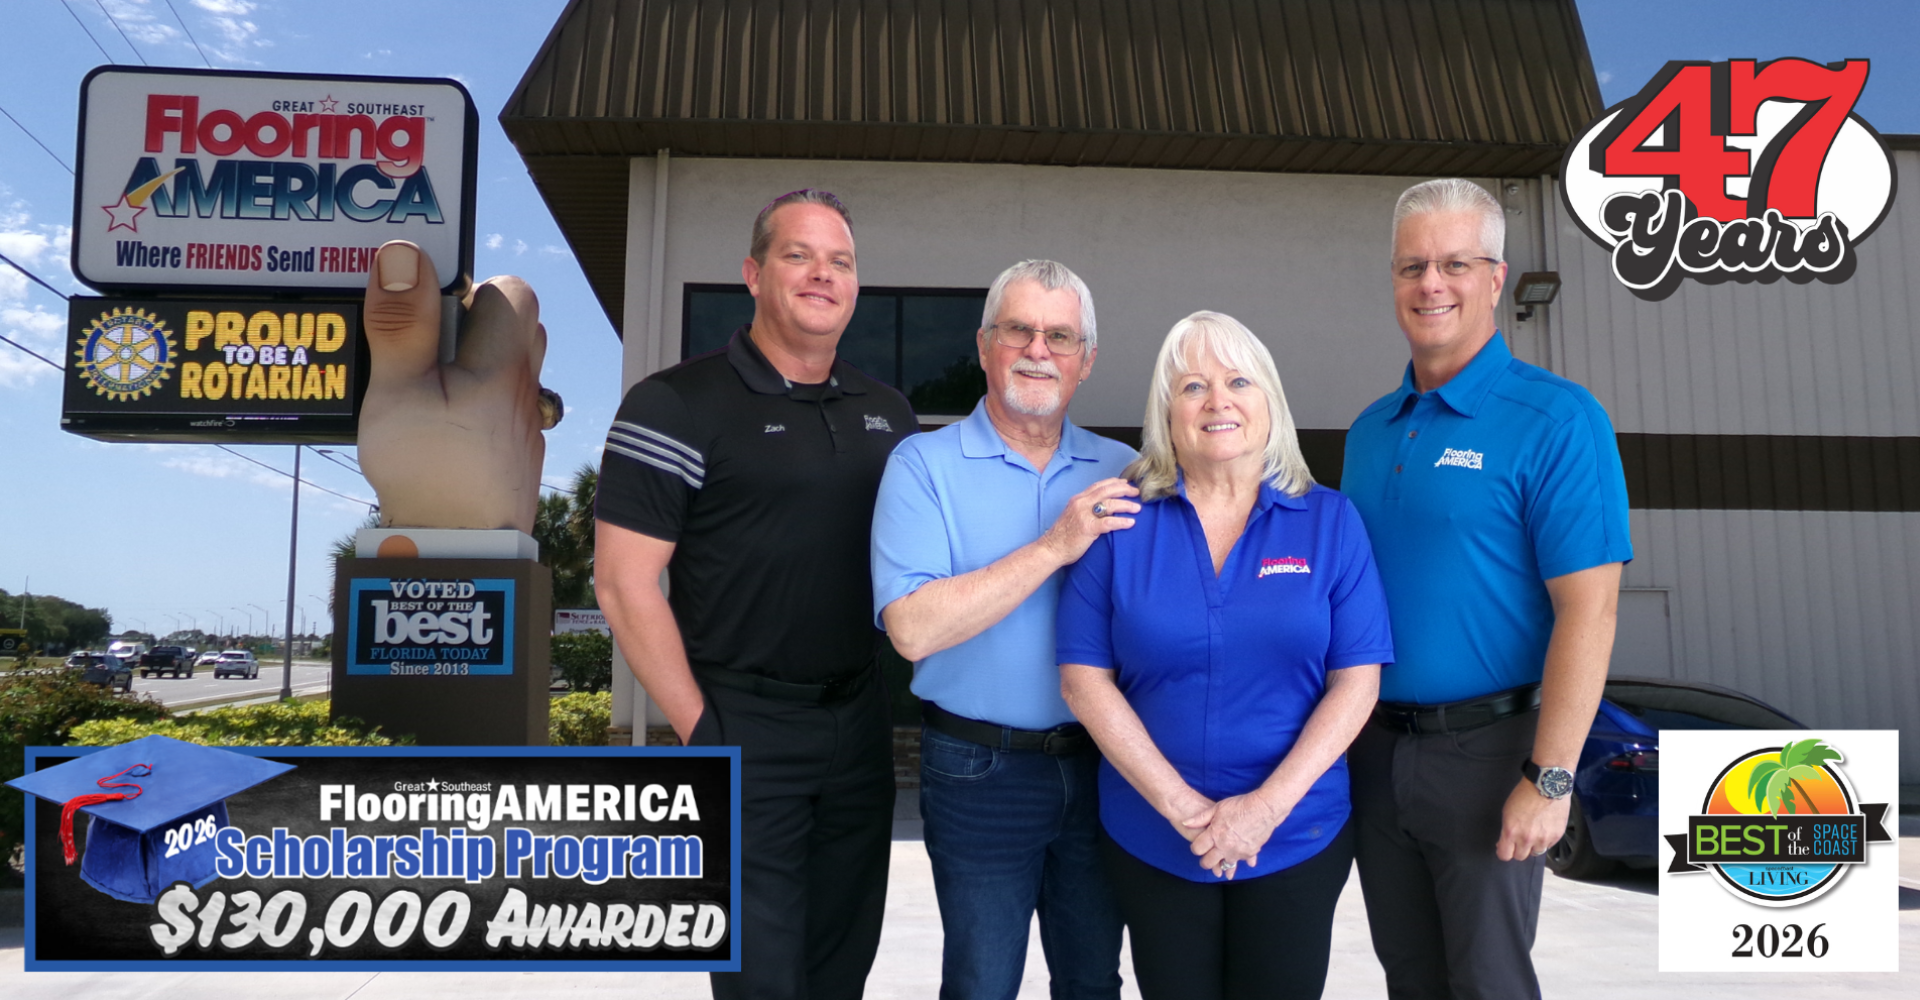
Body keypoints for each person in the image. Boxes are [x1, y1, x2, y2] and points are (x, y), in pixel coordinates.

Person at [594, 189, 918, 1000]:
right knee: (759, 979)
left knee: (842, 966)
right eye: (798, 255)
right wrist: (706, 733)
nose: (822, 275)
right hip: (743, 724)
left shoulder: (890, 413)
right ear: (753, 272)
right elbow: (624, 582)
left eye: (839, 262)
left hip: (858, 724)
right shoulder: (673, 404)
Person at [1342, 178, 1631, 999]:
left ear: (1496, 279)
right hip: (1374, 753)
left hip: (1490, 756)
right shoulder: (1370, 430)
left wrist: (1550, 779)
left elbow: (1592, 608)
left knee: (1491, 982)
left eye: (1455, 264)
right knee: (1412, 979)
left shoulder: (1558, 420)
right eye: (1412, 266)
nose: (1431, 284)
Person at [1057, 311, 1393, 1000]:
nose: (1218, 401)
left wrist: (1264, 809)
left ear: (1270, 403)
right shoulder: (1119, 521)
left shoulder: (1331, 521)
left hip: (1297, 833)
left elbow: (1356, 683)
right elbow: (1084, 681)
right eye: (1193, 386)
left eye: (1239, 380)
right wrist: (1183, 808)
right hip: (1153, 836)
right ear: (1167, 413)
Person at [871, 260, 1138, 1000]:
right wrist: (1055, 545)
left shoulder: (1123, 470)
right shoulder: (923, 465)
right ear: (986, 344)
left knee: (1093, 981)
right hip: (977, 769)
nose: (1037, 349)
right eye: (1018, 329)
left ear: (1086, 361)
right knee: (983, 984)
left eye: (1060, 335)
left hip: (1105, 767)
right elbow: (912, 630)